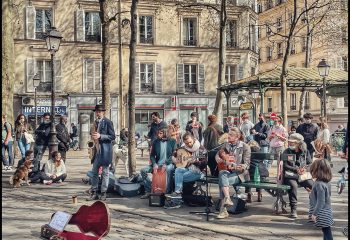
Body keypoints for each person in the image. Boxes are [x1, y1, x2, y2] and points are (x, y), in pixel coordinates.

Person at [215, 127, 251, 219]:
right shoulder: (225, 145)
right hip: (228, 171)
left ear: (237, 137)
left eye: (231, 135)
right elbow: (217, 155)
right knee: (222, 174)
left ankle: (223, 210)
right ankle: (227, 199)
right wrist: (218, 159)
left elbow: (247, 164)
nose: (228, 136)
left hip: (240, 174)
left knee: (222, 180)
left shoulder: (245, 147)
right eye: (228, 134)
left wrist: (241, 166)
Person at [87, 105, 116, 201]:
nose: (97, 113)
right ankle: (94, 192)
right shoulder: (95, 122)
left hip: (105, 151)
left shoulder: (108, 122)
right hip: (96, 151)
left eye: (99, 111)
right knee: (94, 172)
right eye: (96, 111)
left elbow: (112, 136)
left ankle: (103, 193)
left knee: (105, 172)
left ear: (103, 112)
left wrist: (101, 136)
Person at [282, 133, 313, 218]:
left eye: (293, 142)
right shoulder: (286, 151)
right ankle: (293, 209)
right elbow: (285, 165)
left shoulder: (305, 151)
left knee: (313, 185)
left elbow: (310, 163)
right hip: (290, 175)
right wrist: (296, 169)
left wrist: (305, 169)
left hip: (302, 175)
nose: (290, 143)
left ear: (299, 143)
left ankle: (313, 208)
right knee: (293, 186)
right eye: (290, 142)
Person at [140, 128, 177, 199]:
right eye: (158, 133)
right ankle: (149, 191)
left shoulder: (173, 141)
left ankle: (168, 192)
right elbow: (152, 155)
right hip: (157, 163)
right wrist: (154, 164)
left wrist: (166, 164)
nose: (158, 134)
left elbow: (174, 155)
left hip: (169, 163)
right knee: (143, 170)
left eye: (160, 133)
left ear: (165, 133)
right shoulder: (156, 142)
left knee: (169, 169)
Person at [170, 133, 206, 197]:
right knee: (178, 170)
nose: (189, 144)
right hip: (188, 169)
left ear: (193, 139)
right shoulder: (184, 147)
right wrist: (174, 158)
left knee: (177, 177)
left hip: (198, 172)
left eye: (190, 142)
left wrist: (195, 161)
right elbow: (175, 152)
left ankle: (178, 193)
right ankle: (178, 191)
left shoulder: (201, 149)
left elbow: (204, 164)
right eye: (186, 143)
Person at [309, 159, 334, 240]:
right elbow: (326, 196)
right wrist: (312, 193)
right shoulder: (327, 182)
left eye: (313, 171)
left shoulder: (319, 184)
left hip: (321, 213)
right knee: (326, 230)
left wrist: (314, 214)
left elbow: (321, 201)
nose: (312, 173)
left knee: (327, 231)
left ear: (318, 171)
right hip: (327, 211)